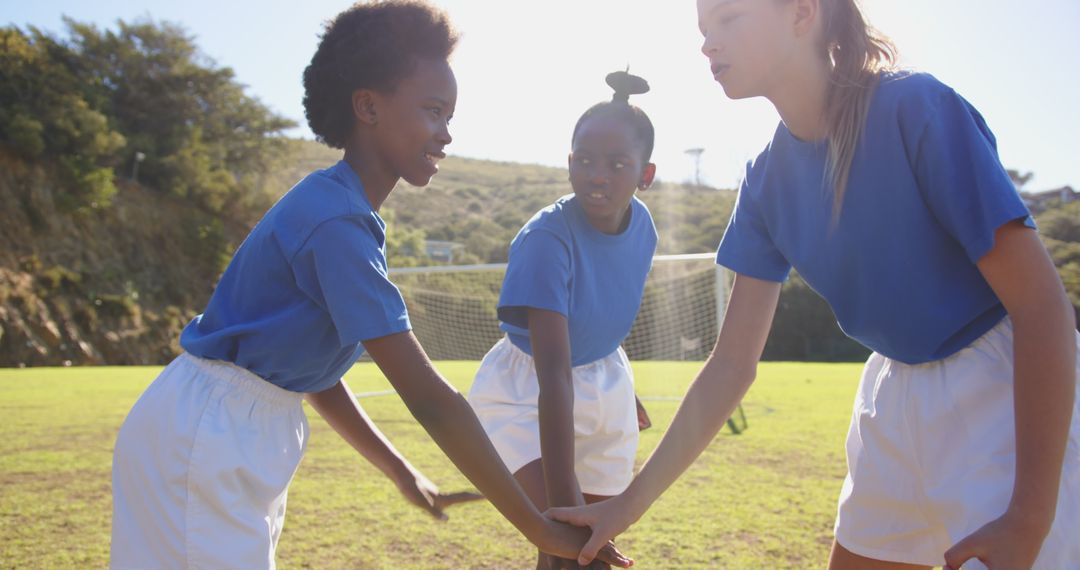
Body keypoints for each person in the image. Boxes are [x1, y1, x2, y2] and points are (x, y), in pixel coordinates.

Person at [548, 1, 1080, 569]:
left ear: (803, 12)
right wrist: (628, 504)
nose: (708, 43)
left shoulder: (914, 107)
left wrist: (1028, 515)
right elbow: (730, 366)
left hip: (1002, 392)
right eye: (703, 29)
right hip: (890, 395)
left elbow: (1043, 309)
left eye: (728, 18)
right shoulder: (763, 180)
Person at [109, 2, 630, 568]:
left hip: (235, 433)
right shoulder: (336, 223)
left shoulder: (346, 213)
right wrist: (540, 528)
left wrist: (401, 472)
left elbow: (316, 378)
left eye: (450, 115)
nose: (447, 134)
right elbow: (432, 400)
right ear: (368, 106)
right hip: (205, 437)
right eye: (433, 111)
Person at [467, 70, 658, 569]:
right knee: (567, 543)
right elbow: (553, 376)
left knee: (575, 554)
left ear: (646, 175)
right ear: (569, 163)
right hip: (527, 389)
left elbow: (607, 306)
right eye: (586, 161)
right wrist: (568, 508)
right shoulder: (546, 240)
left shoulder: (644, 227)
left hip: (603, 379)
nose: (598, 175)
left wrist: (618, 387)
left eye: (617, 164)